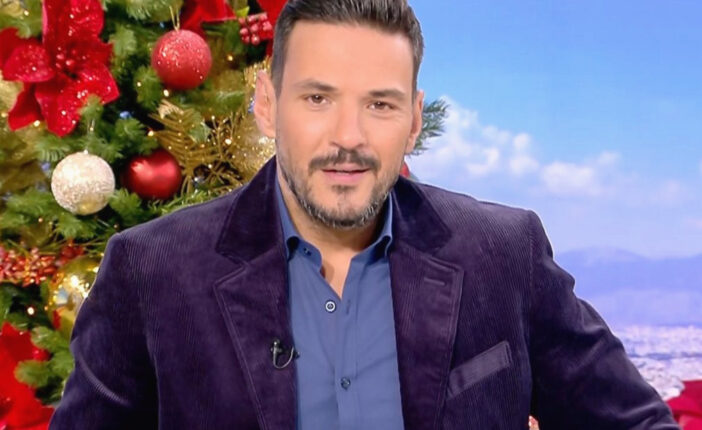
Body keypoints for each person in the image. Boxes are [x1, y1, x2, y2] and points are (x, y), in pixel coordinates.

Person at [49, 0, 680, 429]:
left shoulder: (504, 252)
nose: (348, 137)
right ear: (267, 105)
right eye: (318, 98)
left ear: (414, 119)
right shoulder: (152, 270)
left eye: (380, 104)